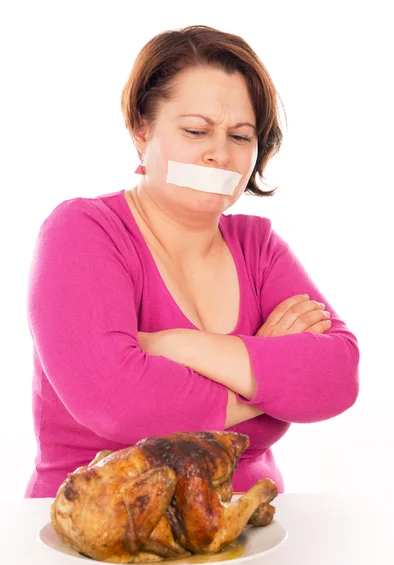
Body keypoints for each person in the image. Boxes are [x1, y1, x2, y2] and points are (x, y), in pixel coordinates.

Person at [24, 25, 359, 498]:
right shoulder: (82, 231)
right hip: (98, 533)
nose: (219, 154)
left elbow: (336, 377)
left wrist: (179, 346)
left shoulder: (258, 247)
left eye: (240, 137)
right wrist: (267, 373)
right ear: (142, 131)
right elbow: (117, 403)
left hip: (249, 533)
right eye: (196, 131)